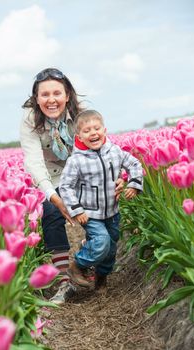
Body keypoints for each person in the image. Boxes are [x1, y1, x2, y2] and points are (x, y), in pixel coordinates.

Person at [20, 68, 125, 304]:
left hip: (87, 172)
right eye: (44, 94)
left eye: (57, 93)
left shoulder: (82, 112)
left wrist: (118, 175)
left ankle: (95, 265)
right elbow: (34, 163)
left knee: (104, 216)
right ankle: (65, 280)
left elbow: (104, 144)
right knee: (50, 213)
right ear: (36, 98)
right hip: (54, 176)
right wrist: (54, 198)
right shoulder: (29, 122)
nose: (51, 100)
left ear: (67, 94)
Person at [59, 110, 143, 292]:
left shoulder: (114, 151)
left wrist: (134, 184)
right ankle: (78, 266)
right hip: (90, 214)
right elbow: (65, 186)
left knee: (111, 247)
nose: (93, 133)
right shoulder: (76, 161)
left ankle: (101, 277)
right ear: (79, 136)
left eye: (97, 128)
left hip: (112, 211)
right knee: (101, 241)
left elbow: (134, 164)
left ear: (104, 130)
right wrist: (77, 210)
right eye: (87, 130)